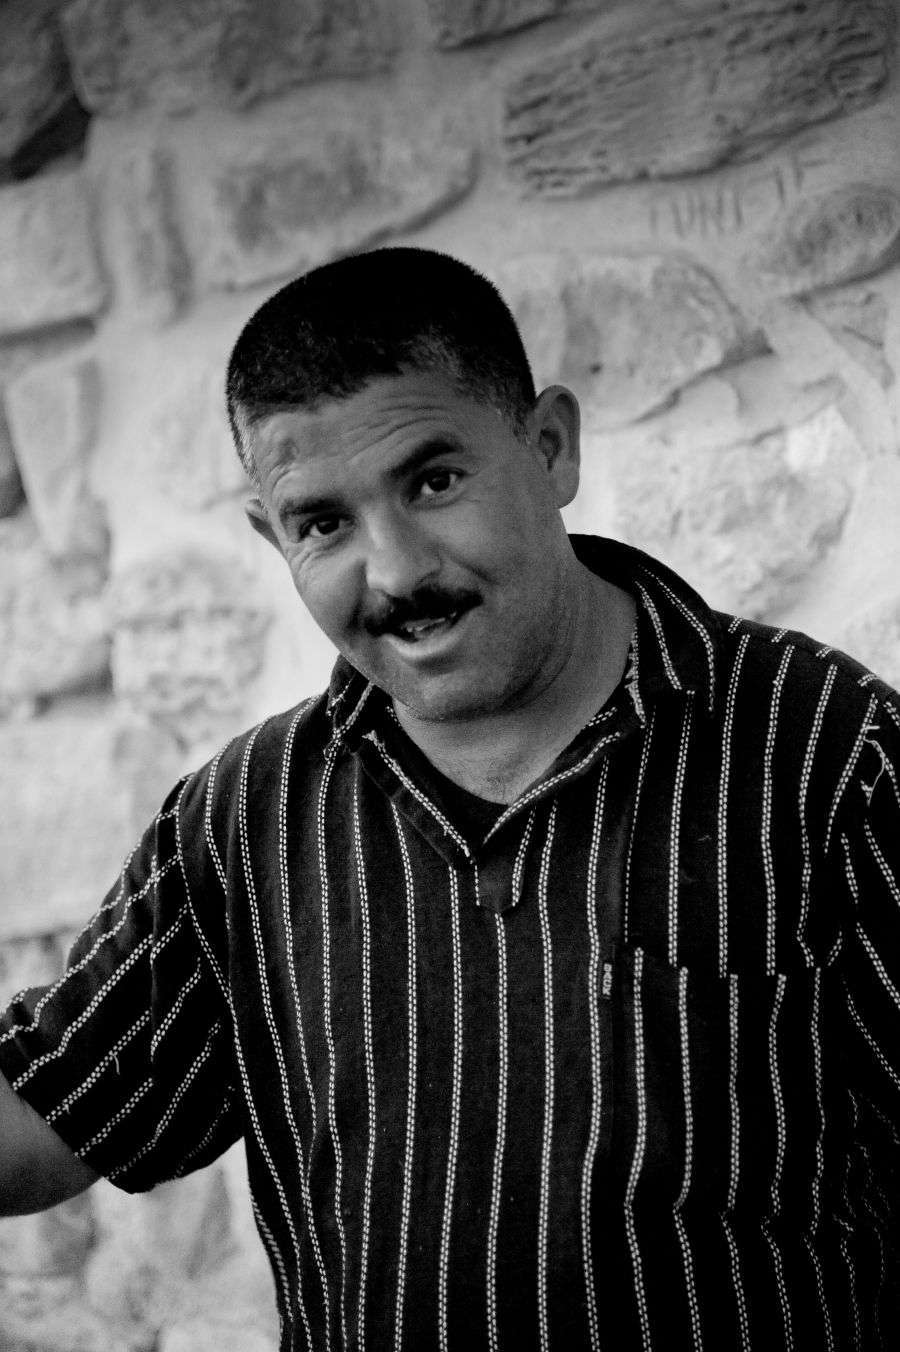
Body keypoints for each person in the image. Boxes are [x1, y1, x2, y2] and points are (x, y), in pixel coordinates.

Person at [0, 247, 898, 1351]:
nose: (394, 571)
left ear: (551, 446)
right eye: (323, 522)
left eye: (433, 481)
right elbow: (41, 1117)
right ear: (272, 535)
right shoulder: (240, 820)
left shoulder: (826, 751)